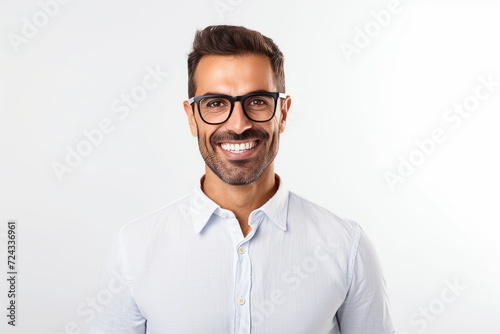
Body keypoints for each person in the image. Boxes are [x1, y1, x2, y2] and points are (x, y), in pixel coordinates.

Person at [91, 25, 394, 334]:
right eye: (215, 103)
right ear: (192, 118)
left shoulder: (346, 247)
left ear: (283, 113)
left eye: (258, 101)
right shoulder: (134, 248)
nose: (238, 124)